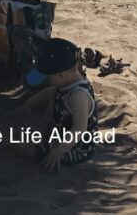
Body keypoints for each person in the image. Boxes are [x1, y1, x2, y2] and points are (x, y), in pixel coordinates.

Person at [21, 38, 99, 170]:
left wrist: (58, 151)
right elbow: (50, 92)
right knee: (54, 101)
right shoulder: (66, 83)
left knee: (24, 147)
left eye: (48, 76)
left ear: (62, 74)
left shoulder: (78, 96)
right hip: (60, 132)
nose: (45, 80)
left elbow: (79, 129)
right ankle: (43, 134)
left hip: (75, 148)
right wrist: (29, 104)